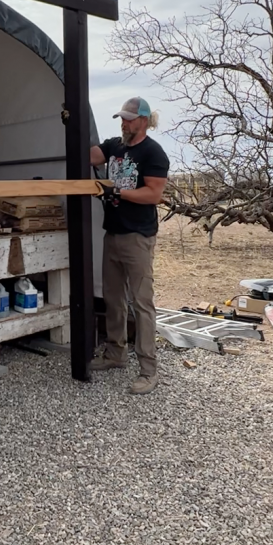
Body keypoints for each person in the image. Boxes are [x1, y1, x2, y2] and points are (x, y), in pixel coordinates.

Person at [89, 97, 170, 395]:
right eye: (121, 118)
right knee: (113, 298)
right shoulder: (114, 146)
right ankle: (115, 354)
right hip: (113, 233)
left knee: (141, 303)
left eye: (129, 119)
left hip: (138, 236)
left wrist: (119, 192)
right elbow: (91, 156)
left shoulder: (153, 153)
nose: (123, 123)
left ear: (144, 122)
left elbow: (153, 194)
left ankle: (149, 370)